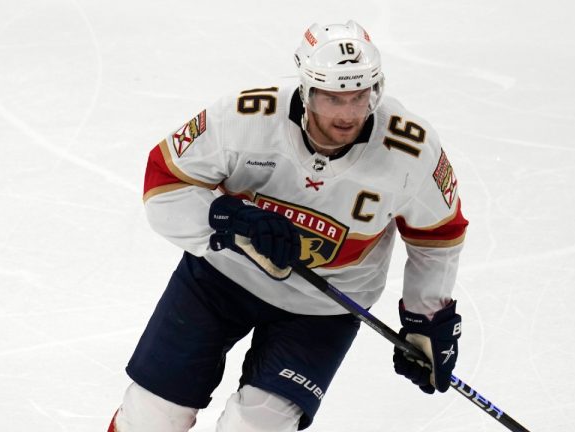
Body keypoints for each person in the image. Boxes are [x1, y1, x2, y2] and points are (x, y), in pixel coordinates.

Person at [108, 20, 468, 432]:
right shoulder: (243, 117)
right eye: (333, 98)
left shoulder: (412, 150)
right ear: (307, 90)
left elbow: (438, 234)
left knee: (256, 427)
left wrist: (426, 318)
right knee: (152, 415)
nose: (348, 114)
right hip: (221, 277)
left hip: (324, 306)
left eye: (359, 96)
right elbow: (163, 184)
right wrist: (231, 219)